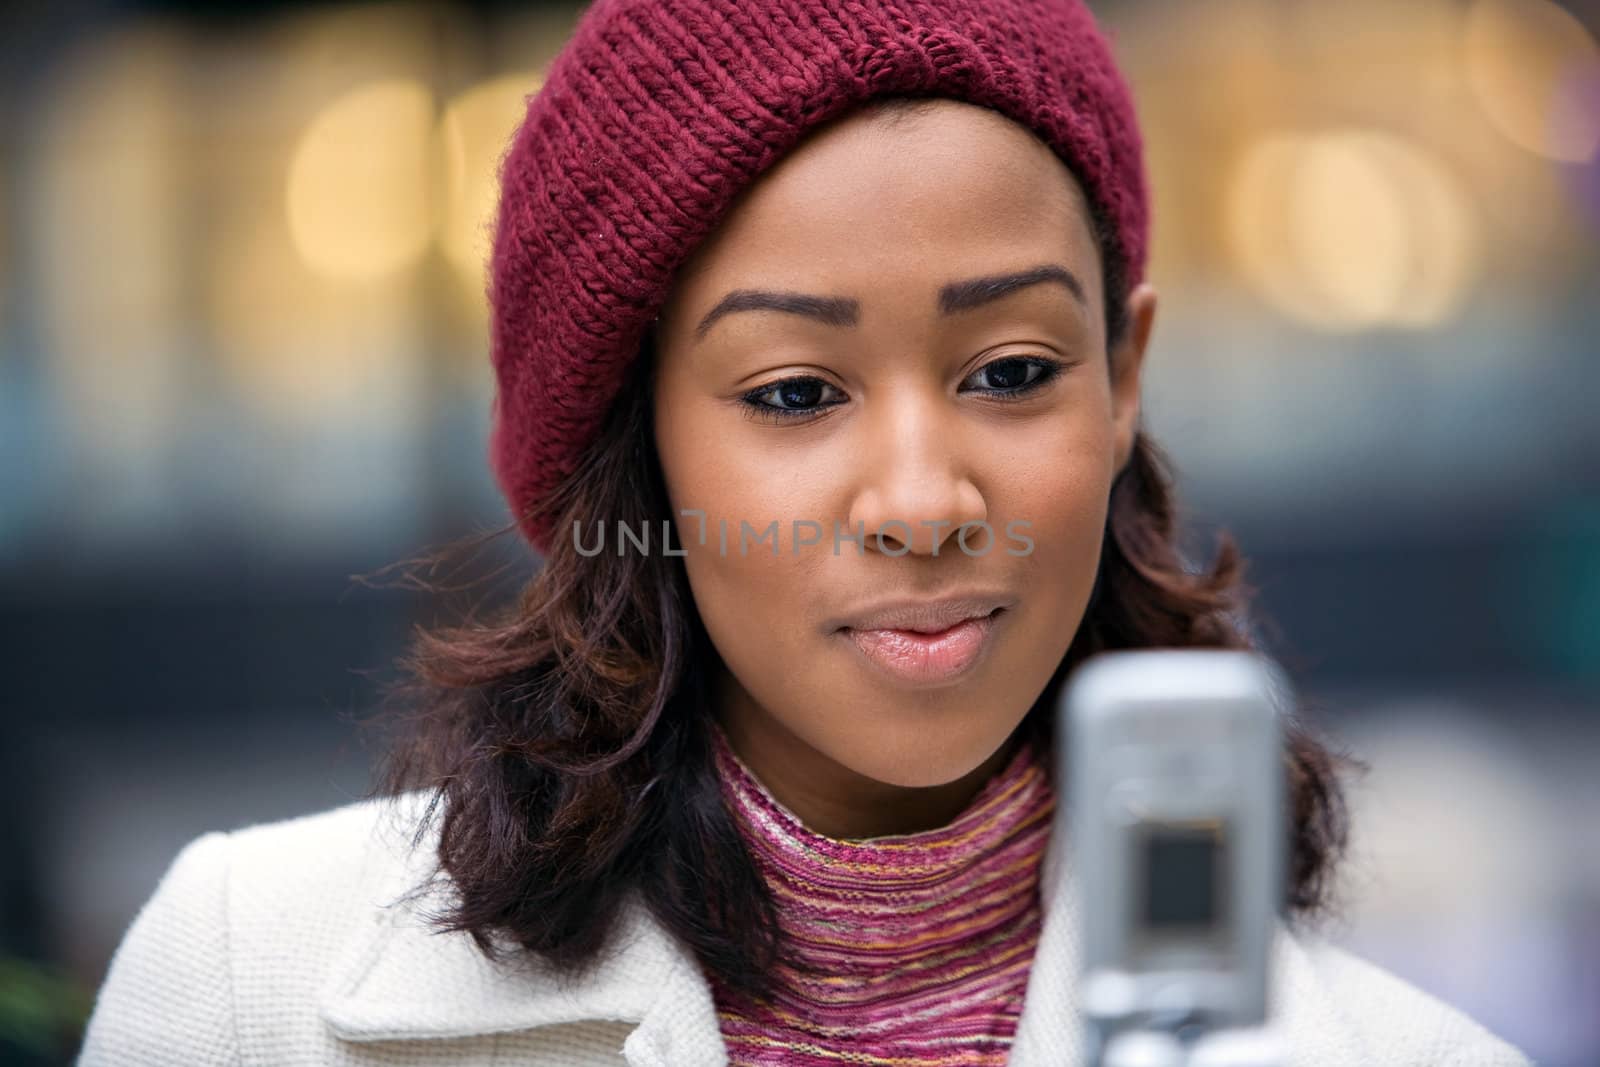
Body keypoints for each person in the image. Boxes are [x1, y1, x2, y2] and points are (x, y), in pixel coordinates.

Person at [77, 0, 1533, 1064]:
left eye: (1014, 373)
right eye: (793, 392)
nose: (919, 502)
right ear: (632, 435)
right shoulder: (245, 980)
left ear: (1124, 372)